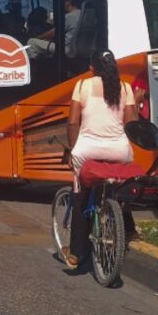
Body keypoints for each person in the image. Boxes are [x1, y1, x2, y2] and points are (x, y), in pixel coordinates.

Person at [60, 49, 138, 268]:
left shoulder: (83, 86)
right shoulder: (125, 88)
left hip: (88, 150)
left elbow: (73, 123)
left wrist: (73, 150)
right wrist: (137, 103)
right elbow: (131, 125)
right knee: (120, 188)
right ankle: (129, 230)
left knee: (81, 196)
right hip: (119, 151)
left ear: (92, 68)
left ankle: (76, 254)